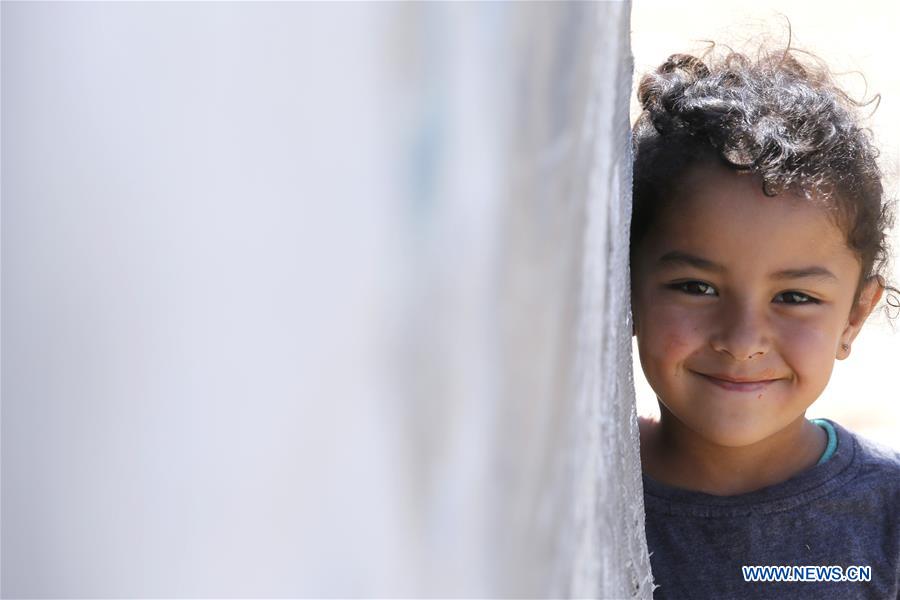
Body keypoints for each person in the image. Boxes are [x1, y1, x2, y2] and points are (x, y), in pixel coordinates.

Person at [630, 40, 900, 599]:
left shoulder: (886, 520)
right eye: (696, 287)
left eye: (795, 297)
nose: (742, 340)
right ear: (626, 290)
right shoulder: (576, 482)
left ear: (854, 317)